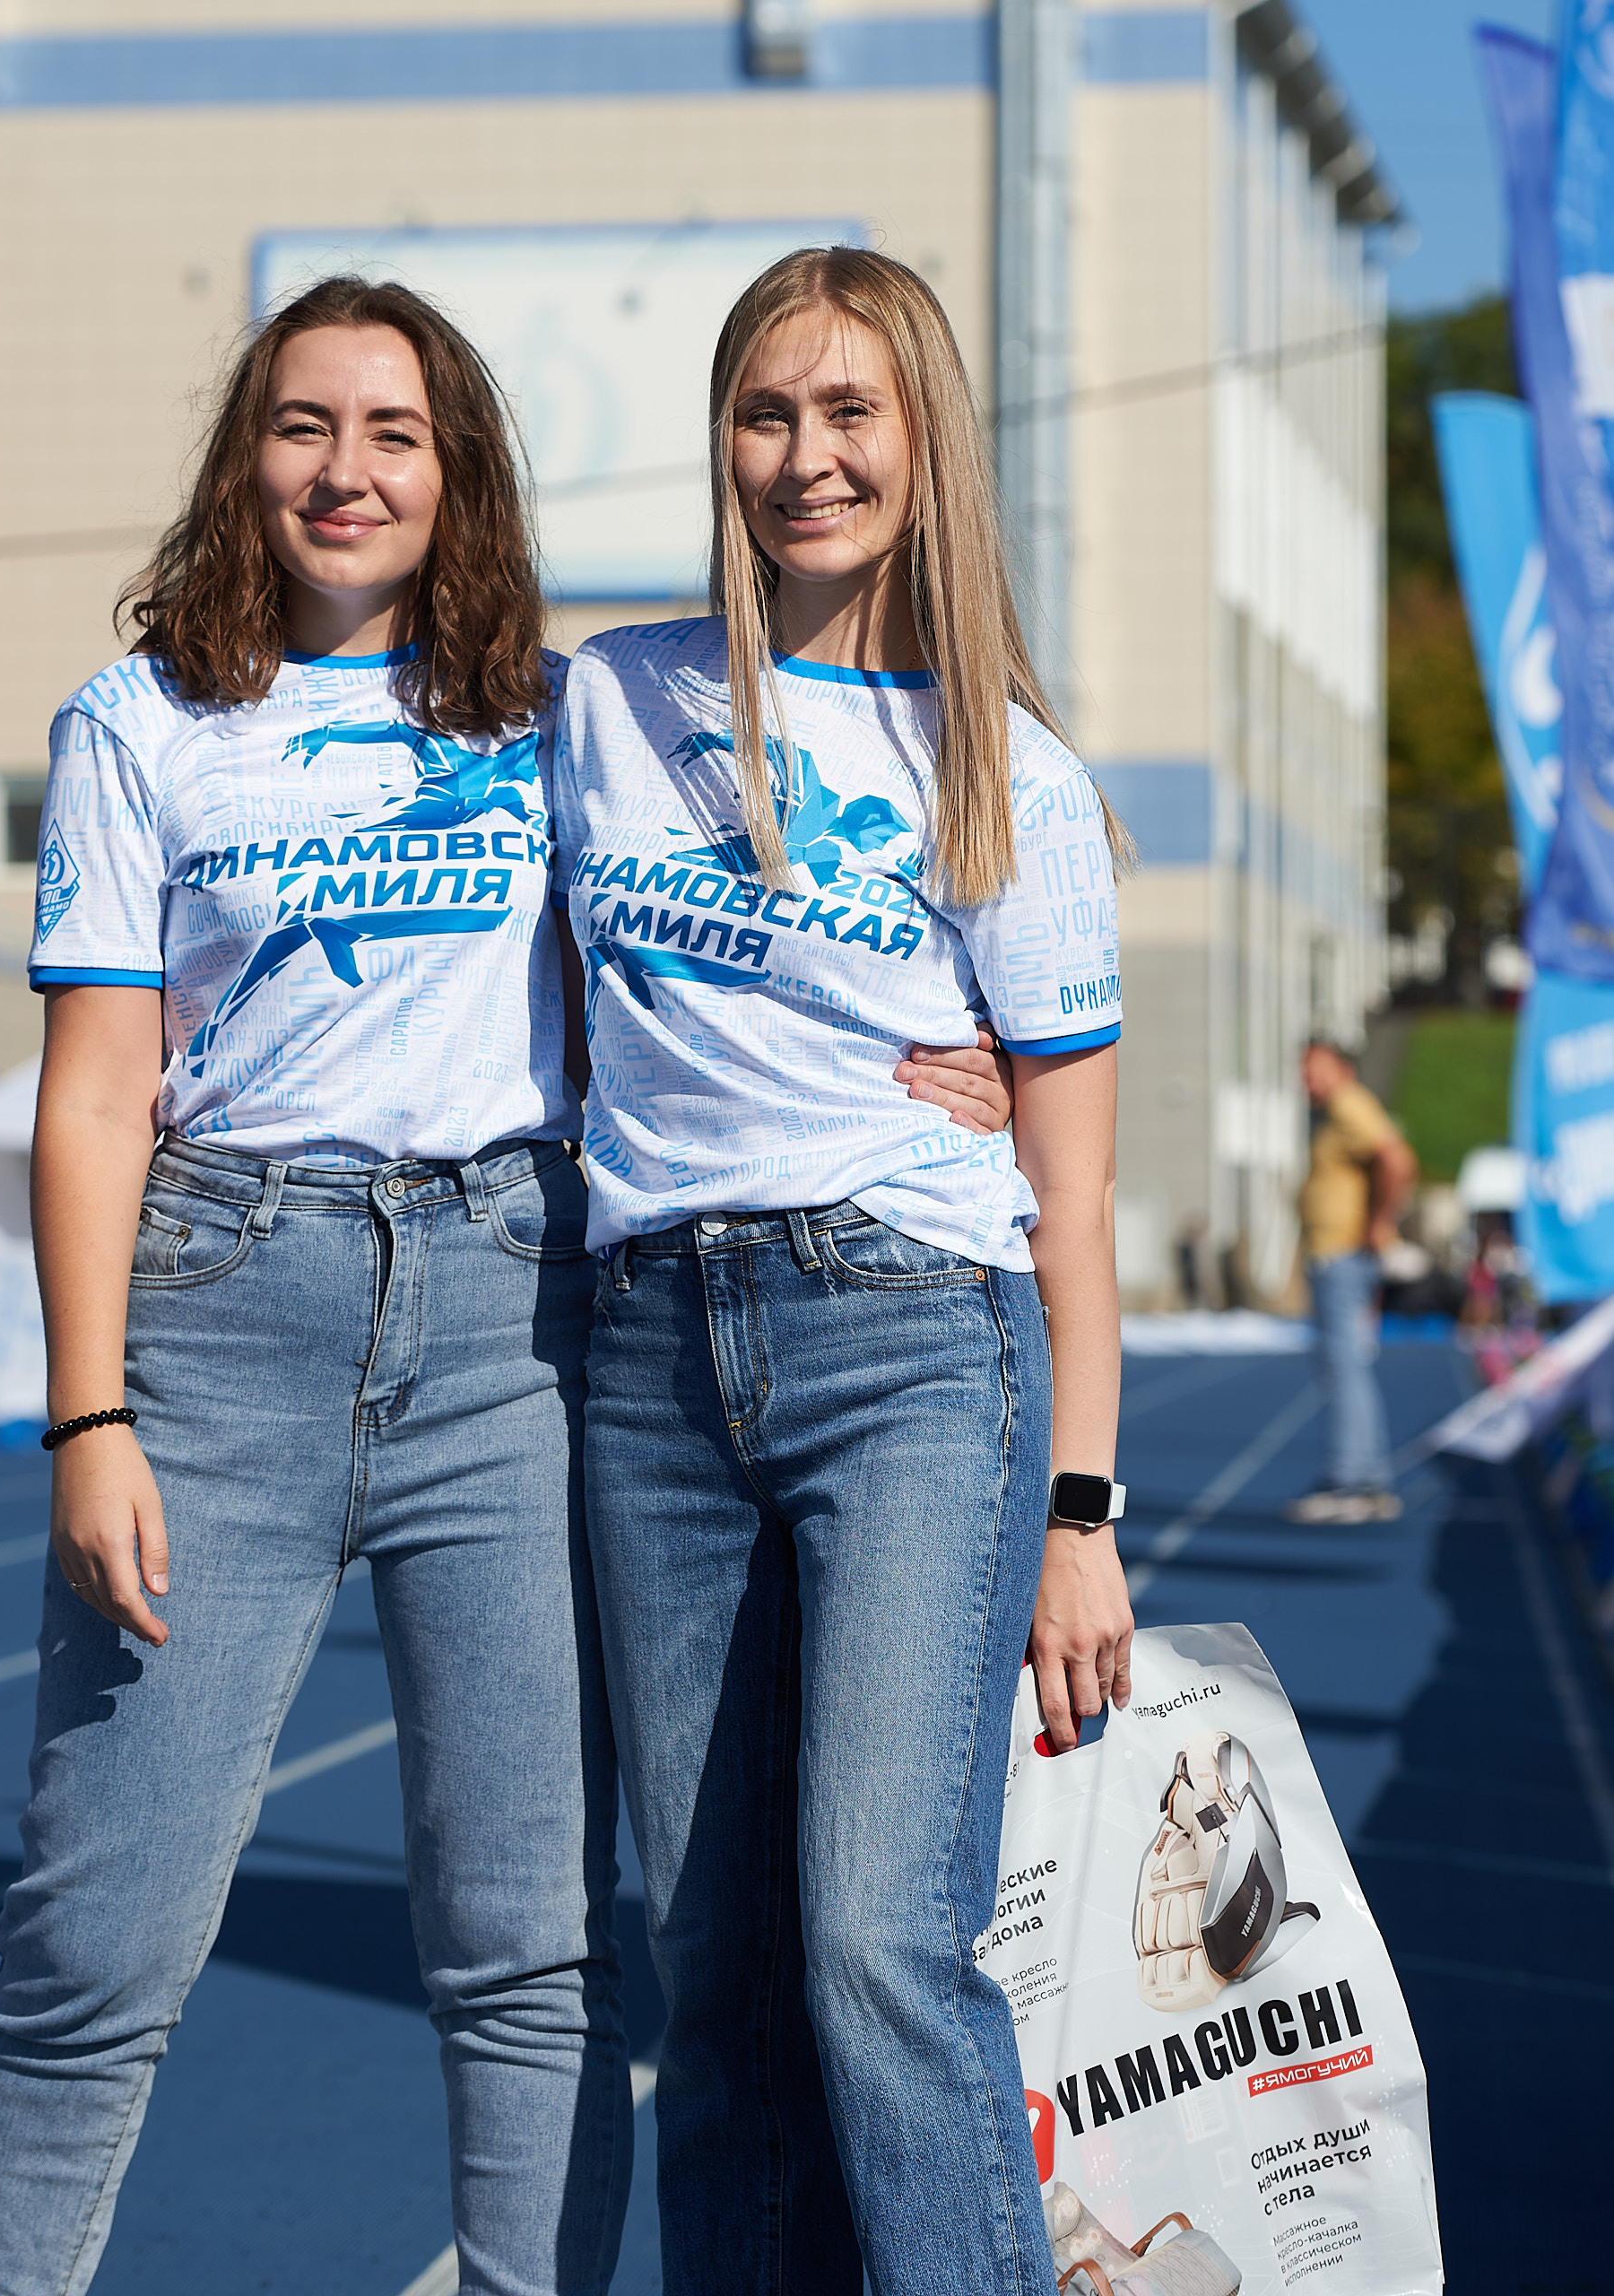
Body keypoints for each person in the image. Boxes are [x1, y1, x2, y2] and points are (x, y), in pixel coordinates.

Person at [0, 273, 1019, 2296]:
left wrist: (957, 1051)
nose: (341, 470)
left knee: (534, 1953)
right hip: (221, 1318)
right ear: (240, 459)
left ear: (458, 482)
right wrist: (88, 1410)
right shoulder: (141, 722)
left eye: (392, 434)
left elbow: (748, 939)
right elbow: (91, 1099)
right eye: (300, 426)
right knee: (97, 1937)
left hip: (512, 1324)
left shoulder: (557, 714)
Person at [553, 247, 1136, 2296]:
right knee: (705, 1968)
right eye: (763, 414)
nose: (803, 460)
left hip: (906, 1347)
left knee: (877, 1939)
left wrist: (1077, 1509)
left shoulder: (1013, 779)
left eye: (848, 415)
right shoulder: (602, 706)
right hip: (643, 1368)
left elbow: (1071, 1203)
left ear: (924, 444)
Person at [1285, 1037, 1418, 1525]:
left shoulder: (1349, 1105)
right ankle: (1364, 1475)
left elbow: (1397, 1160)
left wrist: (1378, 1224)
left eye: (1314, 1068)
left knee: (1343, 1366)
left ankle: (1351, 1480)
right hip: (1334, 1254)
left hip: (1343, 1255)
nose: (1307, 1079)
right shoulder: (1334, 1112)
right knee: (1344, 1365)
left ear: (1340, 1068)